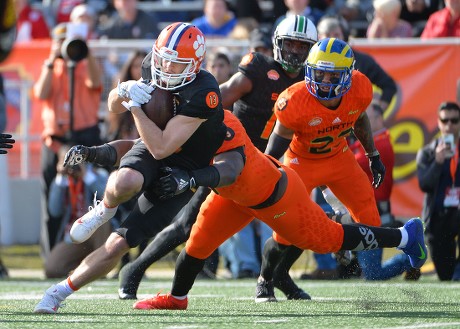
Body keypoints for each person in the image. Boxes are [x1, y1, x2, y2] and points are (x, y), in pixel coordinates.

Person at [129, 110, 427, 310]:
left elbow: (229, 171)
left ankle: (405, 236)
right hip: (234, 198)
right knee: (196, 244)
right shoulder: (179, 130)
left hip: (278, 198)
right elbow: (142, 147)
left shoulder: (224, 124)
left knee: (331, 239)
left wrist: (189, 178)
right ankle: (177, 298)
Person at [115, 15, 318, 300]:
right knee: (188, 224)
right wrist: (177, 129)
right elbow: (214, 99)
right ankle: (134, 270)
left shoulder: (313, 85)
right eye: (291, 44)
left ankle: (276, 277)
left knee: (301, 220)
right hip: (226, 157)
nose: (296, 52)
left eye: (302, 46)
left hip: (268, 166)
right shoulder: (258, 71)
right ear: (277, 44)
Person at [33, 22, 228, 314]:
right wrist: (123, 90)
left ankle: (57, 293)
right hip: (151, 144)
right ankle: (104, 209)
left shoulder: (205, 91)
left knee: (118, 244)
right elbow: (113, 105)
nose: (166, 68)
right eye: (163, 59)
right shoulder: (151, 64)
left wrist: (135, 107)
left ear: (195, 64)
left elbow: (162, 146)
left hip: (182, 167)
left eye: (176, 64)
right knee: (123, 182)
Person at [257, 37, 386, 300]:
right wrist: (266, 169)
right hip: (300, 162)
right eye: (320, 73)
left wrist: (373, 154)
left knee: (371, 223)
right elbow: (276, 142)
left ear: (348, 75)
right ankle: (266, 278)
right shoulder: (295, 100)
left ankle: (333, 227)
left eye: (333, 75)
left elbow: (359, 119)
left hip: (339, 157)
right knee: (285, 233)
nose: (325, 81)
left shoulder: (360, 88)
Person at [33, 22, 103, 255]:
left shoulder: (85, 63)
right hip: (55, 140)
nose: (67, 47)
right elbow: (41, 93)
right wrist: (52, 59)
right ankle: (51, 251)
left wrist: (84, 50)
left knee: (93, 192)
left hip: (85, 137)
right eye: (61, 41)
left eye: (69, 41)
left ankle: (96, 249)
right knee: (51, 196)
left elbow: (96, 83)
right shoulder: (51, 67)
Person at [351, 101, 416, 281]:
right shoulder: (368, 143)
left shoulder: (383, 144)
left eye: (366, 117)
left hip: (374, 212)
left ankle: (411, 260)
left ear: (379, 119)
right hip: (364, 210)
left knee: (372, 274)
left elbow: (351, 162)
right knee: (366, 270)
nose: (359, 121)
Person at [44, 145, 111, 278]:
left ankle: (99, 267)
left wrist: (86, 175)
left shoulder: (98, 175)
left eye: (74, 160)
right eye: (65, 161)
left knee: (99, 215)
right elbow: (54, 211)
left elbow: (107, 197)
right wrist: (60, 178)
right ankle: (85, 269)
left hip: (97, 232)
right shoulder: (61, 183)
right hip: (74, 235)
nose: (71, 165)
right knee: (52, 268)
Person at [416, 101, 460, 281]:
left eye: (454, 120)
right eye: (445, 120)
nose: (449, 125)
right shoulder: (427, 152)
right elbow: (424, 184)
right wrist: (438, 162)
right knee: (445, 275)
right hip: (438, 218)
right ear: (439, 122)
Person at [316, 16, 397, 112]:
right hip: (318, 115)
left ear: (345, 37)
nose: (333, 39)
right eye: (328, 35)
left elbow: (389, 86)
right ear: (319, 38)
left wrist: (377, 112)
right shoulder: (310, 60)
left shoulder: (362, 60)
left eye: (336, 34)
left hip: (353, 115)